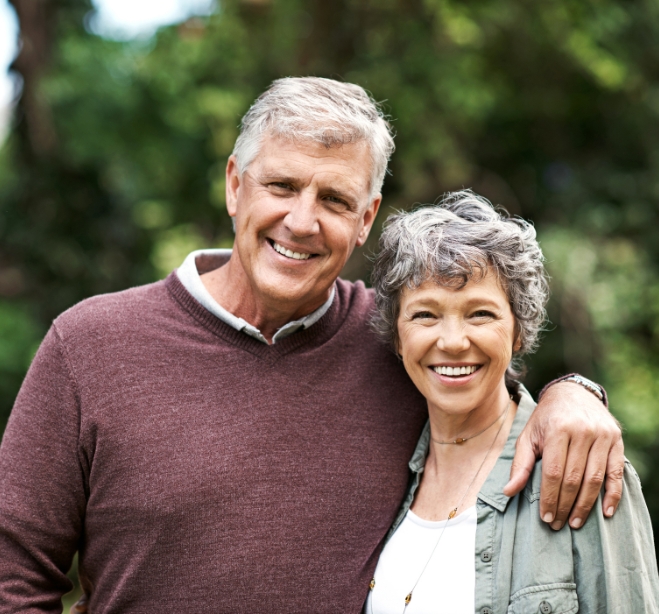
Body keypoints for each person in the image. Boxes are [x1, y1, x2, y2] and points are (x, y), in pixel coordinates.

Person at [0, 78, 623, 613]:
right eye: (281, 186)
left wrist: (572, 394)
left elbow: (487, 389)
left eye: (333, 199)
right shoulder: (89, 344)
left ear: (366, 218)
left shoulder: (393, 340)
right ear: (234, 187)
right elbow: (13, 572)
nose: (302, 221)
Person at [366, 191, 659, 614]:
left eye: (480, 314)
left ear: (519, 330)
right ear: (396, 336)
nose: (451, 341)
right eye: (425, 315)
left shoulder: (580, 468)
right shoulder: (382, 476)